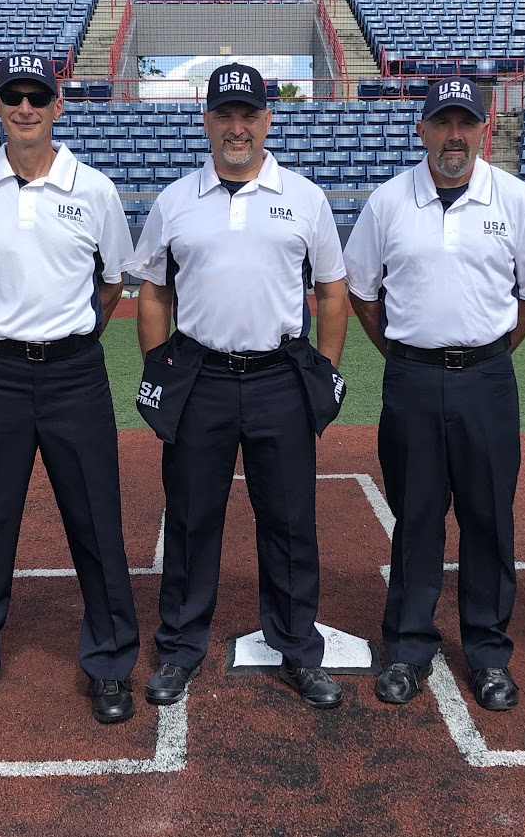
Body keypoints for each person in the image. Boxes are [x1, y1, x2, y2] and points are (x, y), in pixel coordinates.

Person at [132, 63, 350, 709]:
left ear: (267, 120)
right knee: (191, 518)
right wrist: (160, 370)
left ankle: (297, 647)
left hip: (279, 377)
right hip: (200, 377)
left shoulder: (304, 198)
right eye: (224, 115)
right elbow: (153, 292)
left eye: (248, 114)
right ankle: (180, 646)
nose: (237, 127)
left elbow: (332, 291)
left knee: (290, 521)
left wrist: (325, 370)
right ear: (206, 121)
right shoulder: (176, 200)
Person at [0, 54, 140, 728]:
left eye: (37, 97)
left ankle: (109, 661)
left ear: (58, 106)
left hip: (74, 373)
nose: (25, 108)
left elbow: (110, 283)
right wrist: (10, 330)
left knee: (95, 519)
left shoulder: (96, 189)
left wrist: (66, 338)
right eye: (13, 97)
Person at [342, 77, 525, 710]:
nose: (453, 136)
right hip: (412, 379)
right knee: (417, 516)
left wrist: (490, 352)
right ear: (422, 130)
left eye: (465, 123)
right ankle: (408, 647)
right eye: (442, 123)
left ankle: (488, 653)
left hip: (487, 380)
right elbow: (361, 292)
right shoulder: (388, 203)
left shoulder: (516, 201)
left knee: (489, 518)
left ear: (485, 129)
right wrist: (405, 354)